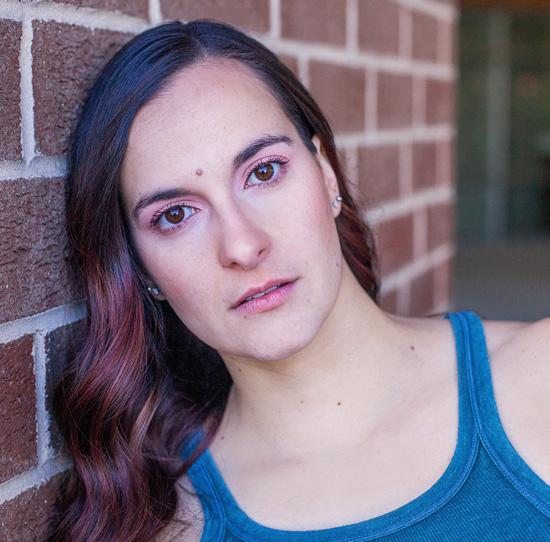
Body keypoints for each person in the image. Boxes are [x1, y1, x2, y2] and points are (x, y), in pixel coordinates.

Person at [47, 19, 550, 542]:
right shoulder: (168, 526)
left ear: (326, 173)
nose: (242, 246)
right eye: (175, 215)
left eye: (264, 171)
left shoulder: (539, 379)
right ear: (142, 269)